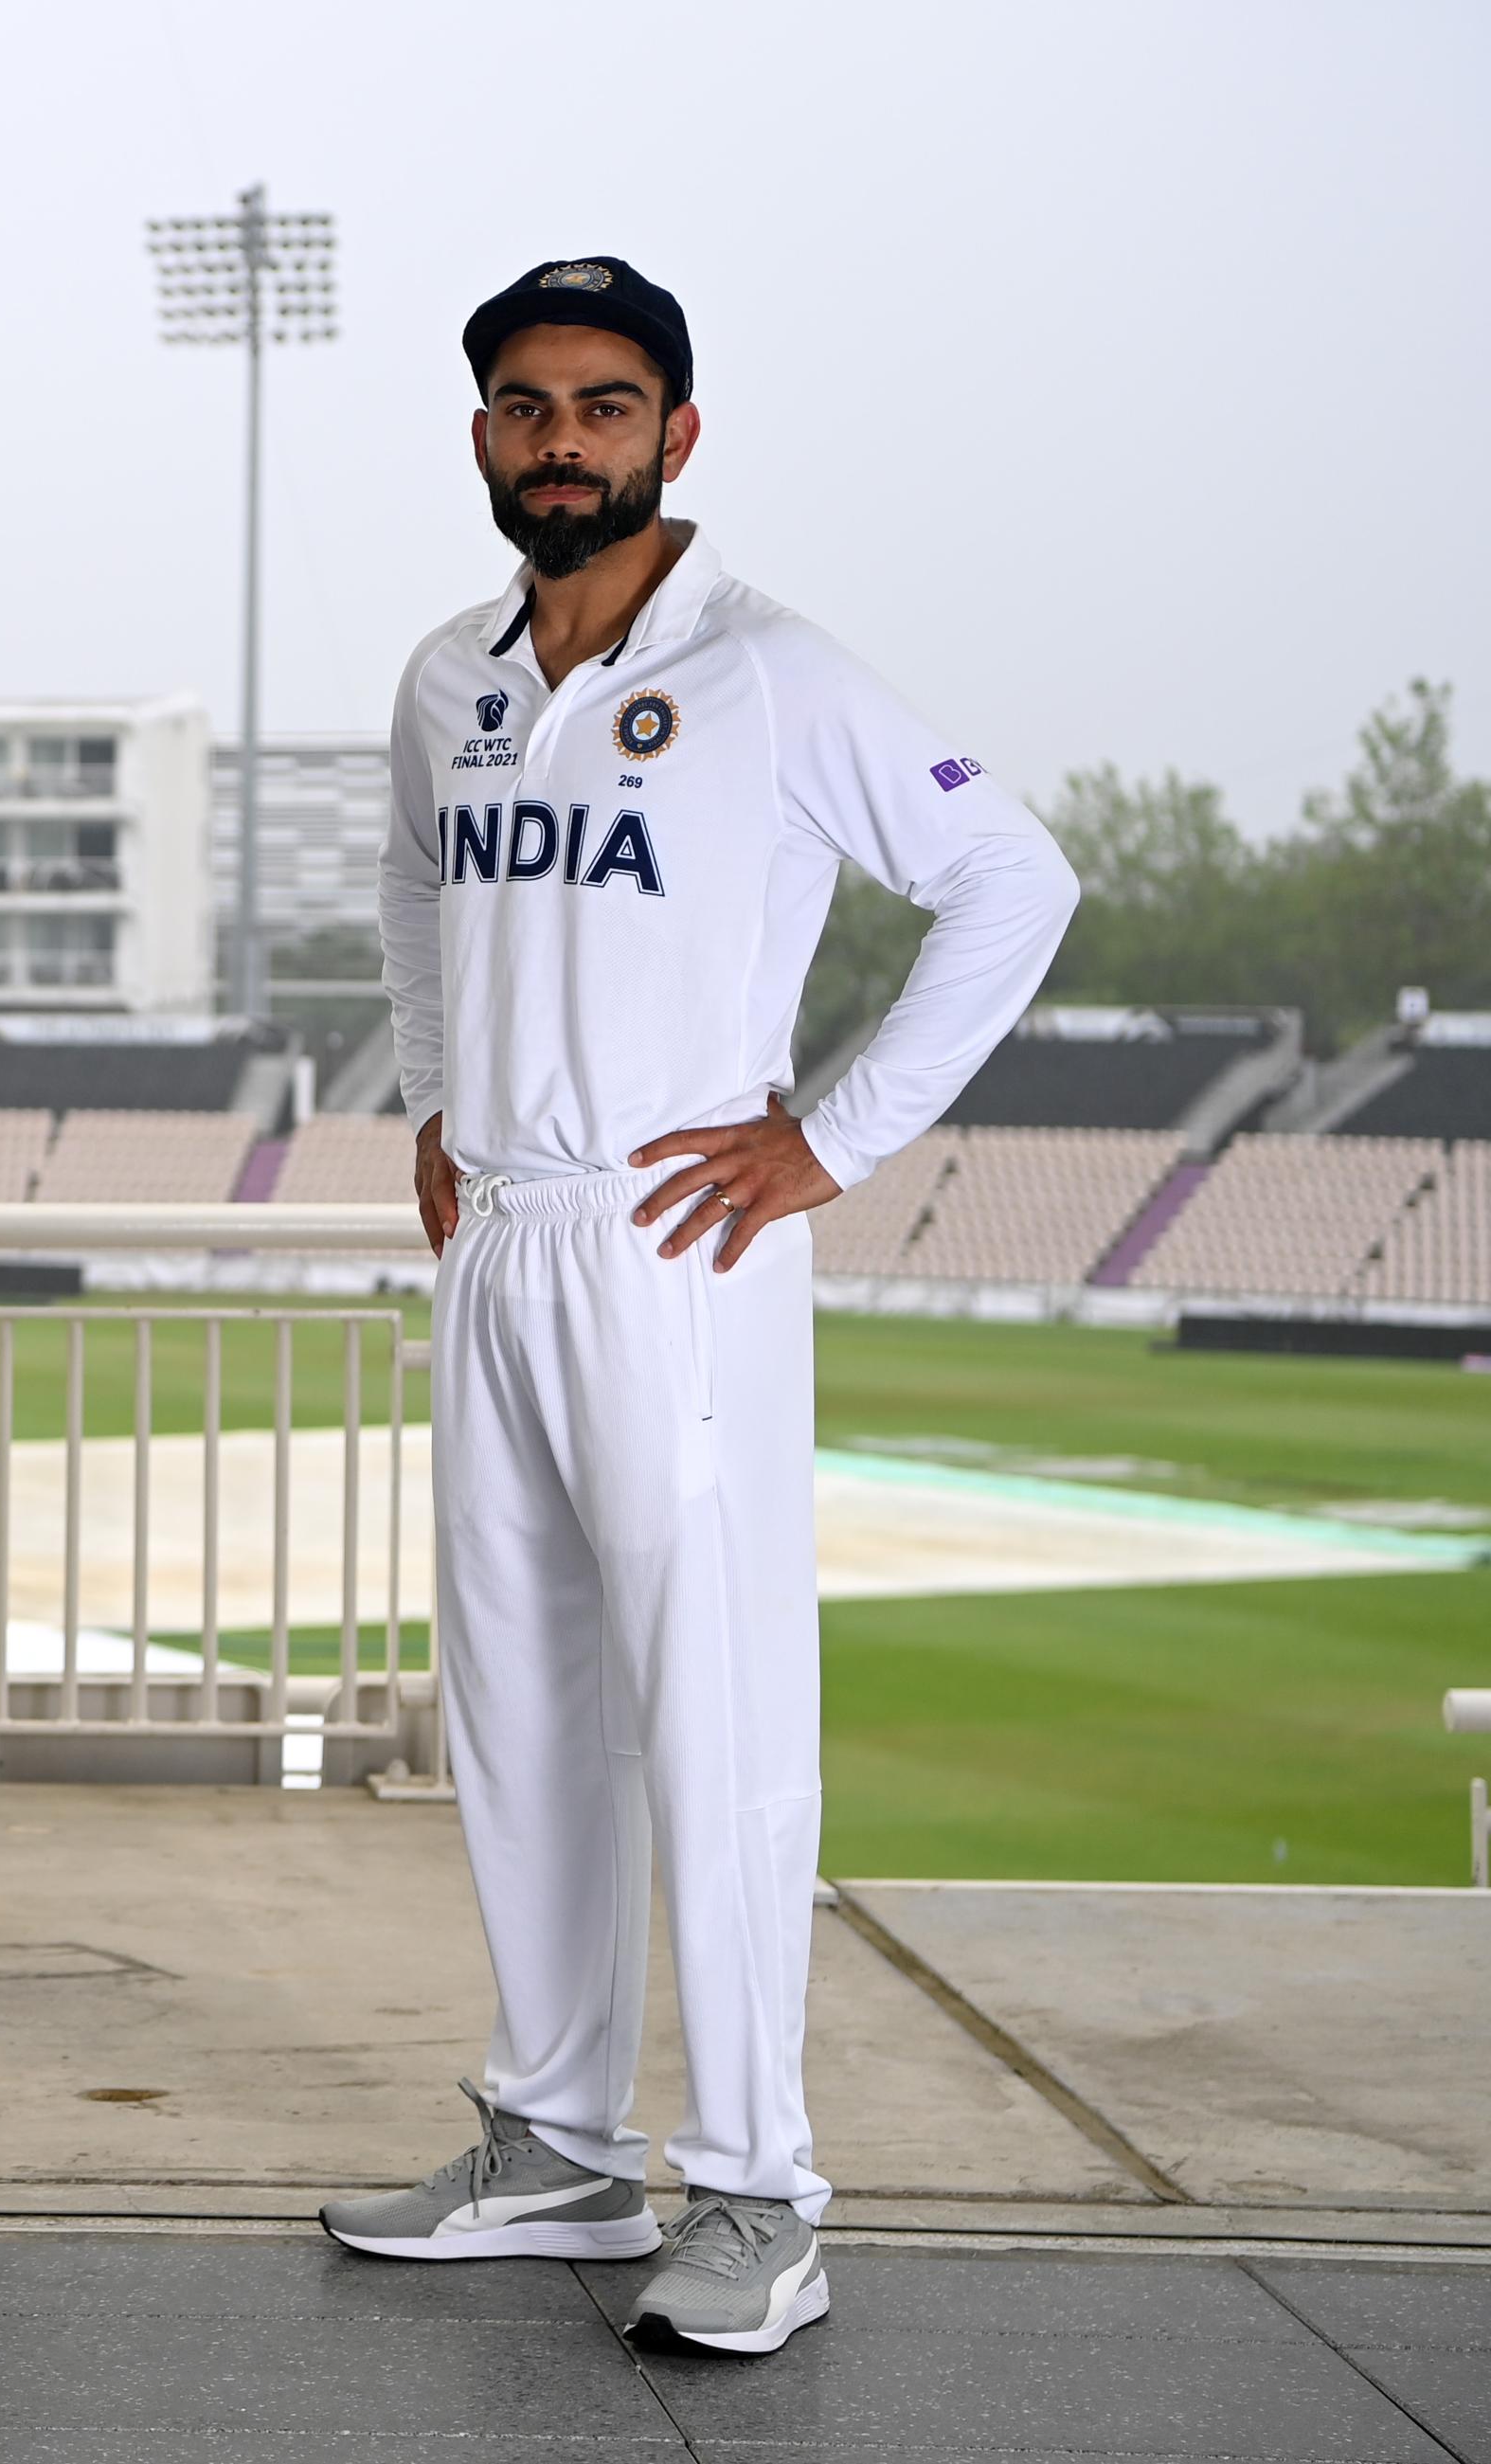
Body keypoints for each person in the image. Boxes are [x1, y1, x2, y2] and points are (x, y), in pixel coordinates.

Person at [320, 259, 1076, 2353]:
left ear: (674, 431)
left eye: (603, 401)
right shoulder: (442, 680)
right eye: (521, 403)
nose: (559, 436)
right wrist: (431, 1092)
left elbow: (1012, 880)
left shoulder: (768, 669)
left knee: (713, 1713)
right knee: (521, 1706)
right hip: (504, 1231)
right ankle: (556, 2141)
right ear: (479, 431)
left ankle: (758, 2189)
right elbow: (406, 879)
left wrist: (826, 1140)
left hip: (682, 1241)